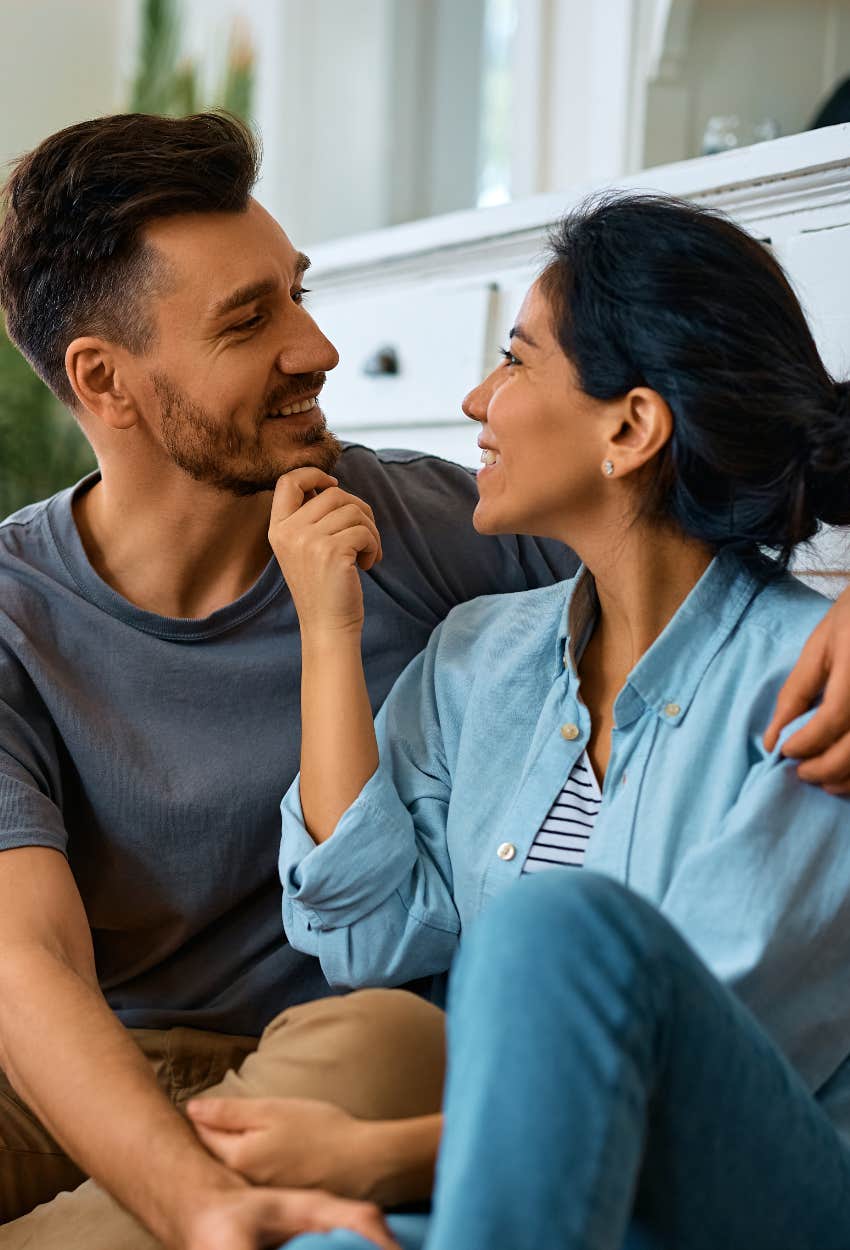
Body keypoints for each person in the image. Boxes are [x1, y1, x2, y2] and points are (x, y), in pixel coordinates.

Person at [0, 110, 581, 1250]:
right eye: (248, 319)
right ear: (105, 382)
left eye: (297, 292)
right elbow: (29, 957)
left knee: (394, 1039)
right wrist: (188, 1190)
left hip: (333, 1061)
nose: (313, 345)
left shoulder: (425, 524)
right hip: (84, 1060)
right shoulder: (16, 609)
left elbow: (695, 521)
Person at [225, 192, 850, 1248]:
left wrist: (378, 1152)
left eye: (516, 361)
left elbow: (675, 1062)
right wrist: (327, 628)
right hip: (544, 1195)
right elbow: (366, 935)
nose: (478, 396)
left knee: (548, 921)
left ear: (630, 425)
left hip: (758, 1199)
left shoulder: (813, 682)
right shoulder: (481, 654)